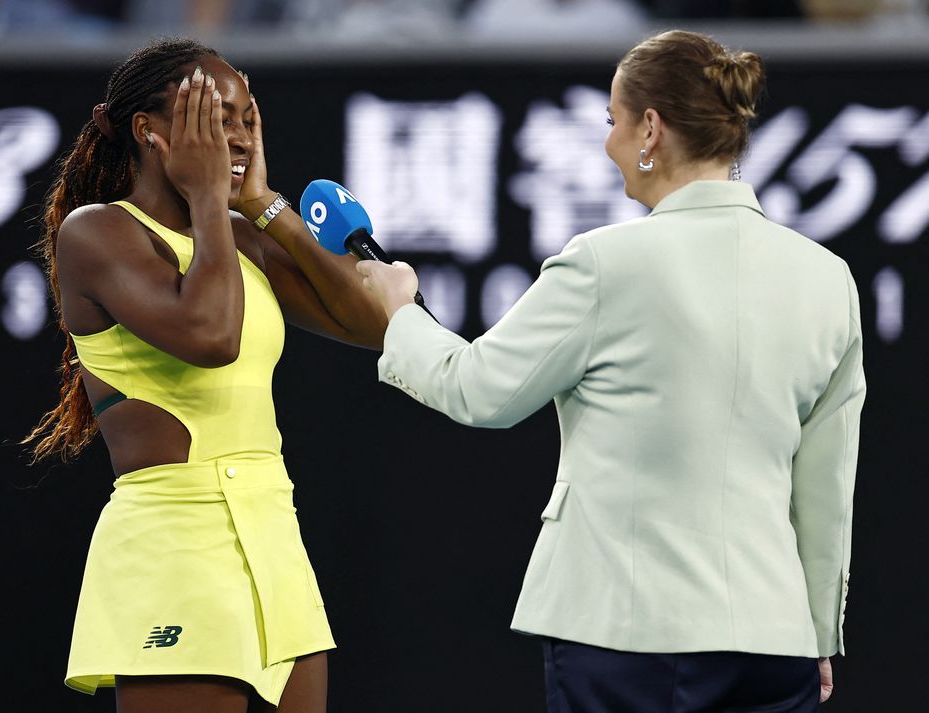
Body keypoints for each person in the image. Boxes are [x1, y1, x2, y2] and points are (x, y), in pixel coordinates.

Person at [357, 30, 863, 713]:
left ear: (650, 128)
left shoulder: (605, 262)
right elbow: (826, 487)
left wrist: (398, 312)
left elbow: (478, 389)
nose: (607, 143)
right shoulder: (829, 279)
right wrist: (818, 634)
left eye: (612, 123)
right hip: (777, 646)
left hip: (630, 639)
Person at [23, 38, 386, 713]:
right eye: (215, 117)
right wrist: (214, 199)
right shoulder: (97, 232)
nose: (238, 134)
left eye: (248, 117)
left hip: (274, 533)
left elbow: (376, 325)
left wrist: (263, 203)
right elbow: (211, 335)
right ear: (150, 132)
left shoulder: (242, 236)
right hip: (175, 543)